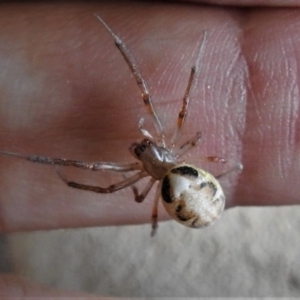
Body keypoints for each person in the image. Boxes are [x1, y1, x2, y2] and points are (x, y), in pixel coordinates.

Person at [1, 0, 300, 297]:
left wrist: (70, 177)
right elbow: (183, 108)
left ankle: (26, 156)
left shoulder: (146, 176)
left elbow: (109, 188)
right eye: (146, 150)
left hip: (198, 193)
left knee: (112, 156)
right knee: (166, 104)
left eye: (144, 150)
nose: (145, 148)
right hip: (195, 191)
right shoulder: (177, 150)